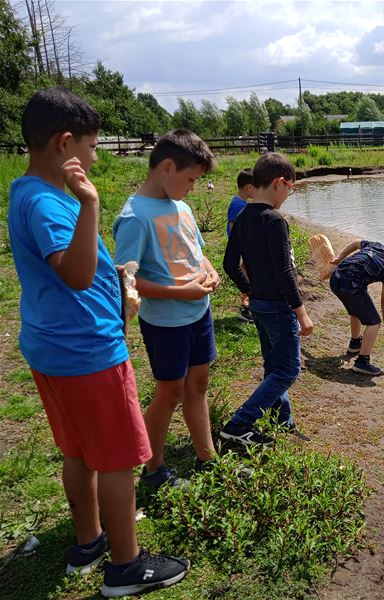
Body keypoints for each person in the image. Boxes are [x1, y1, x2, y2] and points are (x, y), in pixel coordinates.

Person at [7, 87, 189, 597]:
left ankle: (89, 541)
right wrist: (90, 203)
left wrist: (118, 278)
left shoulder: (27, 192)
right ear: (64, 144)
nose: (94, 157)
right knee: (116, 458)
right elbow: (76, 274)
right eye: (91, 147)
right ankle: (126, 567)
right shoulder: (49, 203)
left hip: (53, 348)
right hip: (86, 352)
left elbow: (75, 268)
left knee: (79, 450)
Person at [113, 129, 219, 489]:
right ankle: (153, 468)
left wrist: (209, 271)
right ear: (168, 167)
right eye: (190, 179)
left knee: (198, 384)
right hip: (166, 322)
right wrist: (179, 292)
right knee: (170, 392)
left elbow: (196, 250)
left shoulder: (181, 206)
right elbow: (126, 279)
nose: (192, 187)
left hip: (198, 312)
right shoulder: (135, 216)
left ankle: (207, 456)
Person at [221, 152, 312, 446]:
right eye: (290, 189)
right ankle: (239, 423)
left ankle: (282, 418)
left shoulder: (243, 216)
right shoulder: (274, 221)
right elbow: (284, 271)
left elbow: (229, 263)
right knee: (288, 369)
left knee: (274, 364)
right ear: (279, 182)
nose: (288, 195)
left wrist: (249, 289)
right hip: (278, 306)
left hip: (259, 304)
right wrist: (301, 311)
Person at [329, 234, 384, 375]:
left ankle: (355, 344)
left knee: (356, 310)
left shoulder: (377, 246)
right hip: (351, 286)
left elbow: (356, 243)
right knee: (374, 322)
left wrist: (340, 257)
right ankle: (362, 362)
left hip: (335, 278)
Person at [226, 168, 255, 323]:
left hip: (244, 247)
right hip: (241, 247)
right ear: (249, 188)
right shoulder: (238, 204)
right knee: (245, 275)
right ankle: (246, 306)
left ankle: (249, 304)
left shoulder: (242, 203)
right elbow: (233, 226)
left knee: (247, 272)